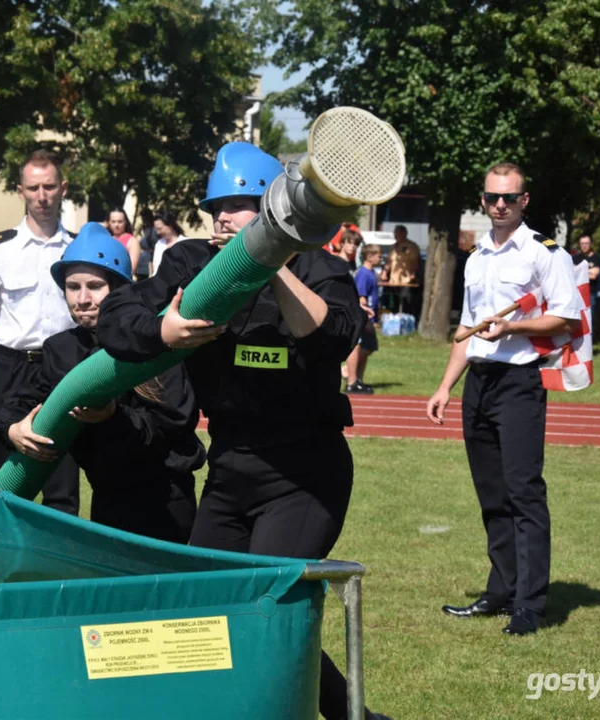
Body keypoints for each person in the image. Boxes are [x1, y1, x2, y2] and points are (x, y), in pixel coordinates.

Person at [97, 142, 388, 720]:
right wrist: (166, 332)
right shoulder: (189, 261)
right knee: (205, 610)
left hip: (303, 474)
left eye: (238, 205)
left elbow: (335, 336)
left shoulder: (315, 264)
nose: (222, 219)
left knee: (264, 604)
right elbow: (116, 319)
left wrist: (271, 261)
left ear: (274, 206)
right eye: (216, 208)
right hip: (230, 473)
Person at [426, 162, 583, 636]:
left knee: (523, 492)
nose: (499, 205)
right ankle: (501, 589)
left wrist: (513, 327)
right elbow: (467, 331)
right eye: (492, 197)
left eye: (508, 198)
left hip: (519, 383)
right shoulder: (476, 257)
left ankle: (530, 604)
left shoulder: (544, 253)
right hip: (480, 382)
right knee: (492, 493)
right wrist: (444, 386)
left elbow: (568, 319)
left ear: (524, 200)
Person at [0, 223, 203, 542]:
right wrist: (13, 429)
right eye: (72, 287)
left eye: (95, 286)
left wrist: (113, 418)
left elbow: (173, 425)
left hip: (165, 502)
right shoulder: (62, 350)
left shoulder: (157, 339)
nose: (82, 299)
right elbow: (19, 402)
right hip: (106, 500)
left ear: (121, 290)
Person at [0, 149, 80, 516]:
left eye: (49, 187)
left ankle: (59, 565)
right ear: (20, 191)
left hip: (61, 369)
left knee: (62, 476)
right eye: (33, 188)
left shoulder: (78, 249)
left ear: (63, 189)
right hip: (8, 368)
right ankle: (5, 563)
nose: (42, 196)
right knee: (6, 472)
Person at [346, 243, 381, 394]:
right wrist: (365, 318)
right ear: (369, 256)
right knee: (364, 346)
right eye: (378, 255)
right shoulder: (363, 274)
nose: (380, 258)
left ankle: (358, 379)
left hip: (371, 316)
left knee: (369, 347)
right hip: (365, 317)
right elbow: (361, 297)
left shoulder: (371, 272)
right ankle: (348, 373)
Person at [106, 207, 142, 276]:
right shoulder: (106, 239)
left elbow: (131, 269)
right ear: (109, 222)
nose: (116, 225)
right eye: (113, 221)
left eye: (120, 222)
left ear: (125, 222)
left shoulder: (132, 241)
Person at [150, 210, 184, 276]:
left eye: (160, 229)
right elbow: (156, 269)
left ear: (170, 225)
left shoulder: (184, 242)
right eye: (156, 229)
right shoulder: (159, 244)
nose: (158, 232)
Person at [571, 233, 600, 303]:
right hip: (578, 293)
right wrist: (590, 271)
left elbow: (594, 275)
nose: (584, 246)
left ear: (590, 244)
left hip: (591, 293)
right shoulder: (576, 258)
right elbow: (573, 275)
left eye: (586, 243)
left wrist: (580, 271)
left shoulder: (596, 258)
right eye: (582, 243)